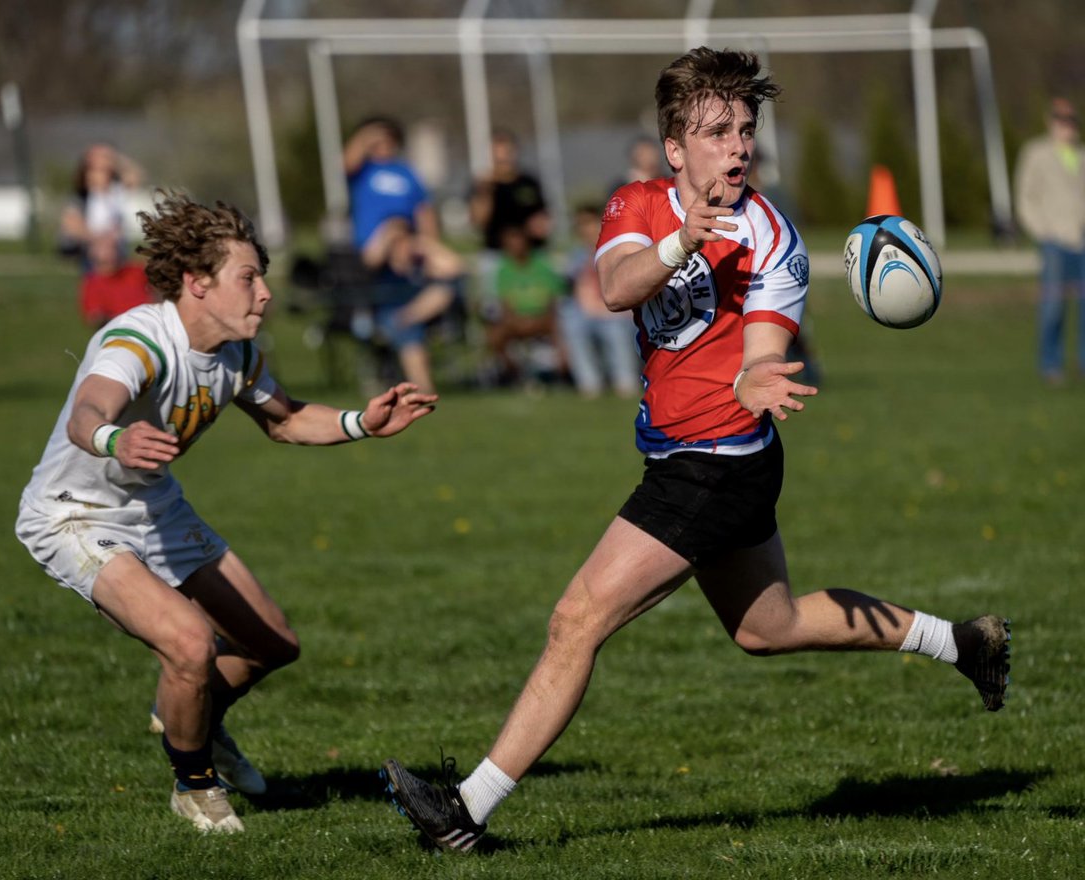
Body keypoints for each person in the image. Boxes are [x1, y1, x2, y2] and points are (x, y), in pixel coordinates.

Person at [381, 47, 1011, 853]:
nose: (739, 146)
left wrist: (756, 378)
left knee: (576, 619)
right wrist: (682, 240)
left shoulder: (773, 238)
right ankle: (962, 642)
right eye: (717, 131)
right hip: (682, 452)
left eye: (746, 129)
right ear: (676, 148)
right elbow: (613, 289)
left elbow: (763, 348)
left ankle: (463, 815)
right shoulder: (636, 205)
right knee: (768, 627)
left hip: (720, 461)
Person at [15, 192, 437, 834]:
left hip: (153, 505)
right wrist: (114, 438)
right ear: (197, 284)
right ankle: (193, 783)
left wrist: (361, 422)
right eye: (249, 278)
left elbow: (287, 418)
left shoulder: (237, 355)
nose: (264, 293)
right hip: (75, 514)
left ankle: (196, 722)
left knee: (272, 644)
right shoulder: (140, 341)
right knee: (189, 646)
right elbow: (88, 411)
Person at [343, 116, 463, 393]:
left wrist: (427, 244)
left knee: (446, 280)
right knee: (403, 324)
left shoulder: (406, 174)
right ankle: (422, 384)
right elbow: (347, 162)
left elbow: (424, 210)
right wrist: (366, 134)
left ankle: (409, 318)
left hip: (407, 248)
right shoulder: (364, 171)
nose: (382, 144)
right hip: (376, 253)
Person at [1013, 96, 1085, 385]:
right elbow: (1025, 197)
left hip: (1082, 239)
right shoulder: (1036, 153)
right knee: (1053, 306)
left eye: (1069, 120)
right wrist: (1042, 230)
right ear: (1050, 121)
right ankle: (1051, 365)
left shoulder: (1081, 154)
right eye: (1060, 119)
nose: (1065, 125)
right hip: (1054, 239)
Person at [557, 205, 641, 398]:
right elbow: (573, 288)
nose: (586, 230)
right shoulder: (577, 255)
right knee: (571, 321)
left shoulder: (619, 249)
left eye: (590, 224)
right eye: (581, 225)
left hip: (617, 311)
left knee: (615, 327)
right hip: (587, 312)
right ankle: (589, 383)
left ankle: (625, 380)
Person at [469, 129, 551, 304]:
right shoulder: (483, 186)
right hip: (496, 254)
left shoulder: (529, 182)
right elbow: (478, 220)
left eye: (506, 153)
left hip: (530, 255)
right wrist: (485, 192)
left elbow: (542, 218)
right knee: (494, 306)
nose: (503, 160)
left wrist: (538, 226)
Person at [483, 223, 567, 386]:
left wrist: (540, 319)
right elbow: (504, 303)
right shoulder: (504, 270)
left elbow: (553, 298)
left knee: (563, 330)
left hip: (544, 318)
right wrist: (519, 321)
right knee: (495, 335)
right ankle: (513, 373)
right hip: (516, 320)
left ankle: (563, 373)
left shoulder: (542, 265)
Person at [58, 142, 144, 271]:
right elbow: (71, 224)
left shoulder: (116, 191)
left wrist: (114, 158)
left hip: (117, 253)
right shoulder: (81, 196)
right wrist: (100, 242)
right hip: (93, 255)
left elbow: (136, 175)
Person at [78, 230, 156, 328]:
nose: (110, 252)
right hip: (123, 329)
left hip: (152, 321)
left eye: (112, 247)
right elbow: (95, 317)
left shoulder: (134, 270)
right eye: (104, 247)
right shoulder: (92, 283)